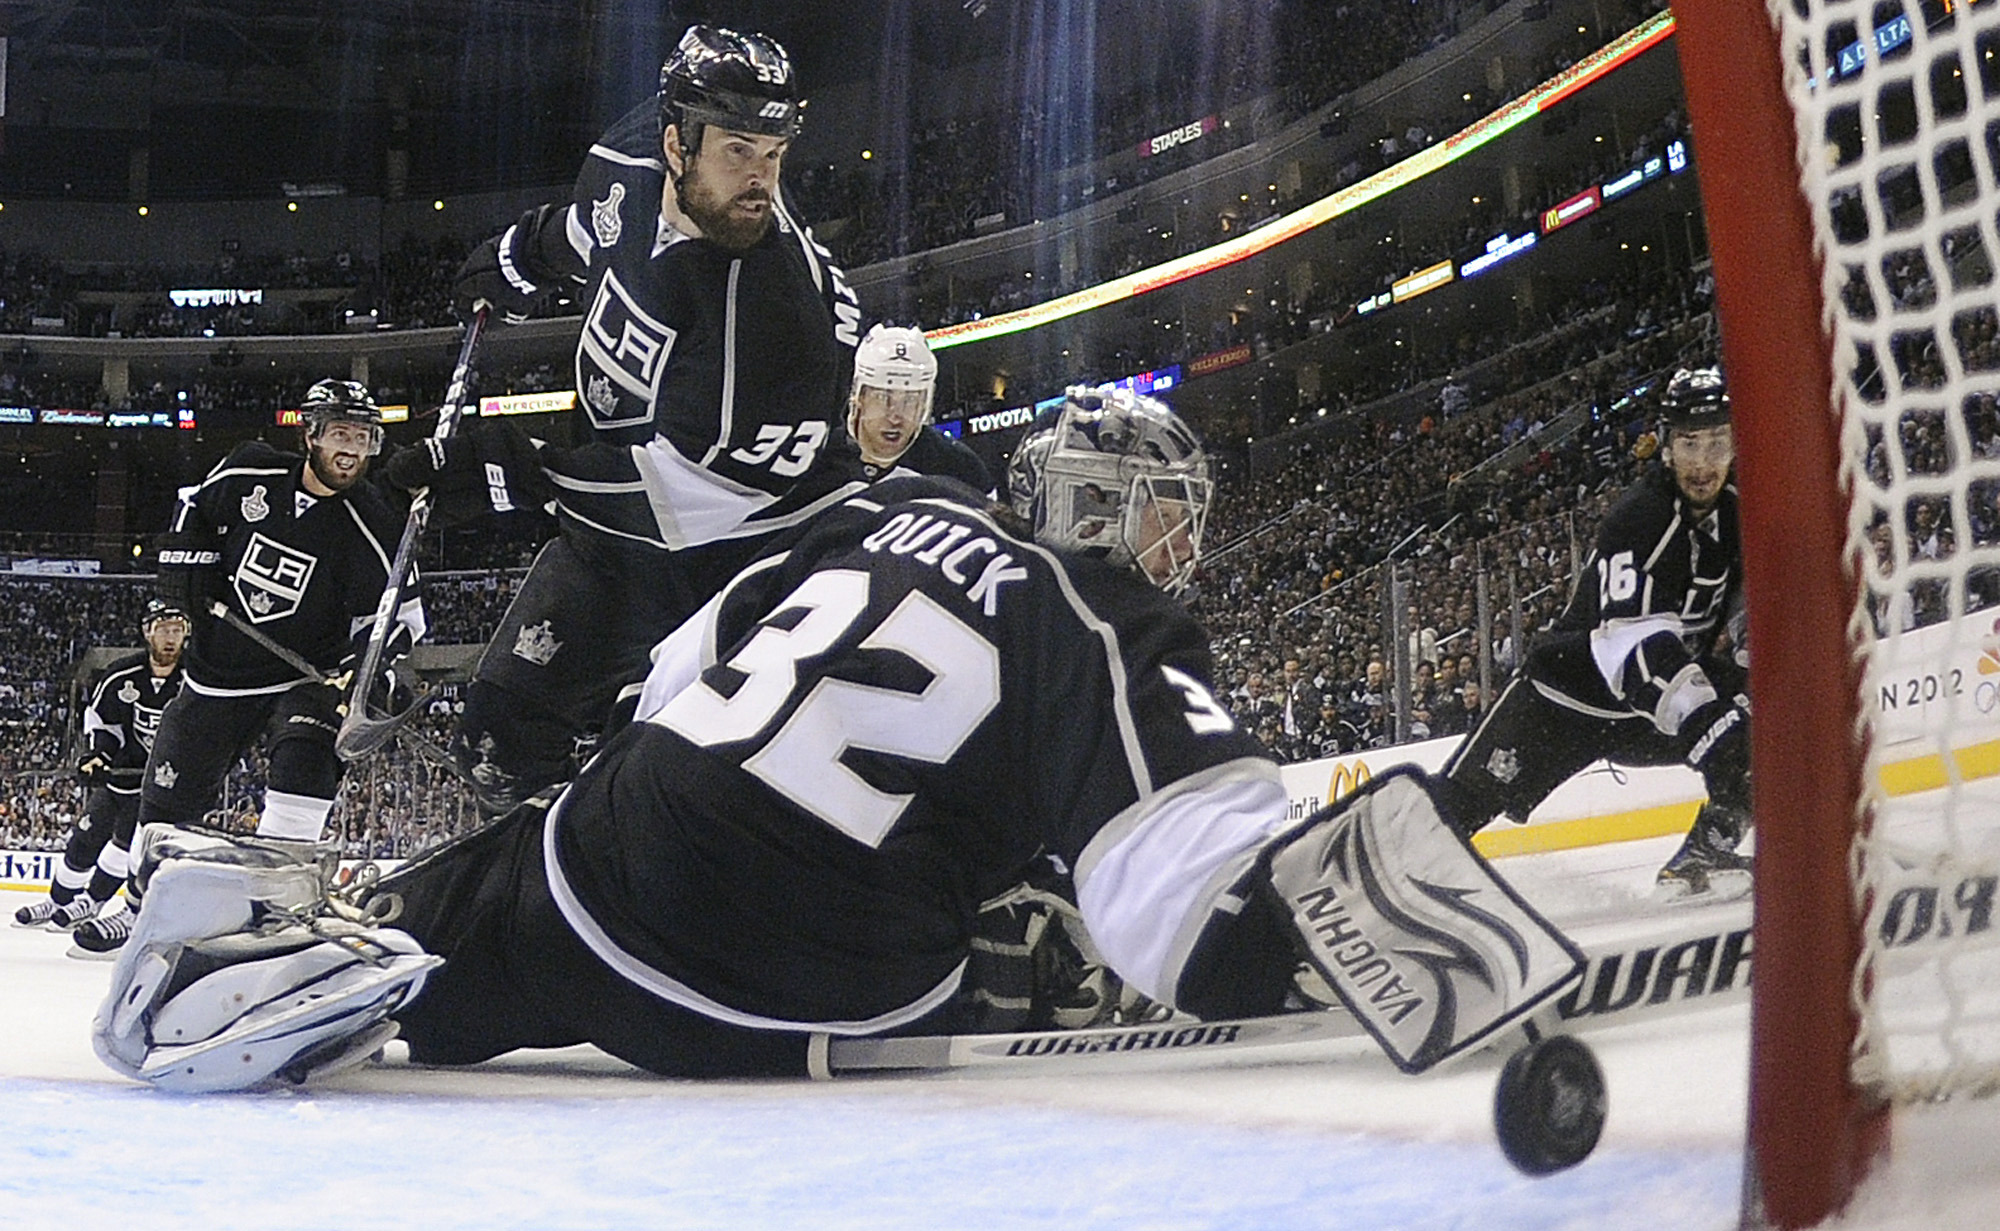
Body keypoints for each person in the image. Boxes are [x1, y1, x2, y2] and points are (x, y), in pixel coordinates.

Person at [92, 386, 1582, 1093]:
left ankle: (310, 951)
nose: (1175, 549)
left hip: (593, 880)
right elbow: (1187, 923)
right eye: (1162, 516)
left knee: (469, 913)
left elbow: (673, 679)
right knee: (1044, 897)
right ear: (1104, 511)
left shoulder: (887, 511)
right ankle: (1018, 943)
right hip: (783, 993)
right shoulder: (1108, 620)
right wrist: (1321, 931)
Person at [408, 24, 868, 817]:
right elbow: (590, 227)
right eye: (737, 150)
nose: (760, 179)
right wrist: (516, 259)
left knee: (676, 776)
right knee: (493, 746)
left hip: (744, 549)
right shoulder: (624, 161)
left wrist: (515, 474)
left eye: (774, 155)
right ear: (675, 143)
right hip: (620, 522)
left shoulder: (780, 324)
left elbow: (680, 506)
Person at [69, 380, 426, 957]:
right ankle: (138, 907)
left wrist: (366, 666)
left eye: (364, 438)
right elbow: (193, 505)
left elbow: (403, 620)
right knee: (164, 805)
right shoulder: (248, 471)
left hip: (306, 676)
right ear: (311, 434)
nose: (352, 449)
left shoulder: (375, 525)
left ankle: (272, 908)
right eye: (341, 433)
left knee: (307, 762)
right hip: (219, 671)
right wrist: (183, 566)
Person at [1435, 366, 1751, 898]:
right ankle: (1363, 888)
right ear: (1666, 447)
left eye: (1717, 442)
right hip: (1564, 700)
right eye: (1689, 443)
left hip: (1646, 713)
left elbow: (1754, 611)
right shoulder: (1641, 518)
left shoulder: (1740, 511)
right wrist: (1708, 723)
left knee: (1774, 722)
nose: (1703, 462)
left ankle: (1705, 854)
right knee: (1455, 809)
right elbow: (1631, 648)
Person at [13, 601, 188, 932]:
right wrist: (98, 755)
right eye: (164, 630)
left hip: (159, 784)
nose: (170, 638)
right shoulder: (122, 675)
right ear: (147, 632)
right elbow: (103, 722)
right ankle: (59, 901)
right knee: (85, 837)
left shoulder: (194, 679)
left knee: (125, 844)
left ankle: (91, 902)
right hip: (119, 776)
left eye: (177, 630)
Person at [843, 323, 992, 494]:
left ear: (924, 403)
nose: (895, 416)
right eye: (882, 397)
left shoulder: (961, 469)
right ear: (859, 397)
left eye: (910, 400)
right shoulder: (823, 454)